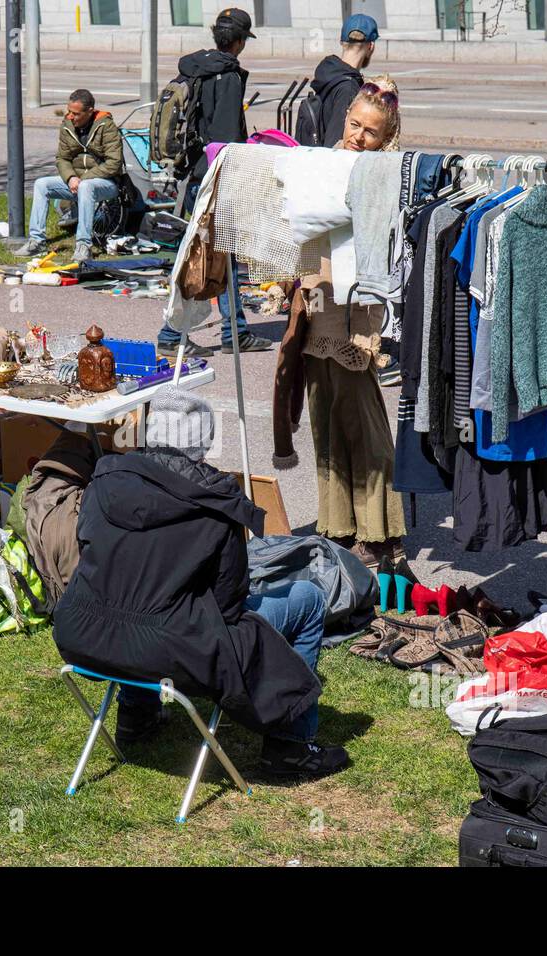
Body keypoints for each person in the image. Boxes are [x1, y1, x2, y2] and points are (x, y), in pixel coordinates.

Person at [53, 387, 349, 777]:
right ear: (202, 444)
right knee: (307, 598)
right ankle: (290, 746)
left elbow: (93, 556)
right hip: (168, 648)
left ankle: (135, 719)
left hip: (83, 635)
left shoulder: (103, 482)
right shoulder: (214, 502)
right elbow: (229, 604)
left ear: (150, 434)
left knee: (142, 604)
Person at [285, 78, 406, 571]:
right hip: (317, 302)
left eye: (371, 132)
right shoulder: (320, 164)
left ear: (387, 137)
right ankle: (337, 525)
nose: (359, 135)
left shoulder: (386, 174)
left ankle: (379, 533)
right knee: (326, 419)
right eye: (355, 124)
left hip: (358, 310)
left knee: (364, 423)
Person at [155, 8, 271, 358]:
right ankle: (181, 335)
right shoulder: (229, 76)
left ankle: (228, 330)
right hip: (216, 176)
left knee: (205, 254)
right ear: (238, 41)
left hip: (194, 172)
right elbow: (226, 138)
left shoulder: (195, 69)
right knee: (210, 257)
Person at [19, 89, 123, 263]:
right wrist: (70, 177)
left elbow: (114, 163)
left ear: (90, 111)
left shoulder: (106, 126)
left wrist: (84, 178)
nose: (71, 116)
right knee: (41, 184)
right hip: (76, 181)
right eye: (69, 111)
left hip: (105, 183)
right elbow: (62, 158)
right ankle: (36, 241)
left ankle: (84, 245)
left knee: (86, 186)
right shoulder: (67, 124)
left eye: (76, 113)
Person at [302, 13, 378, 148]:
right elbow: (335, 145)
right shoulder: (348, 88)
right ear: (370, 46)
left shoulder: (329, 74)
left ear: (342, 42)